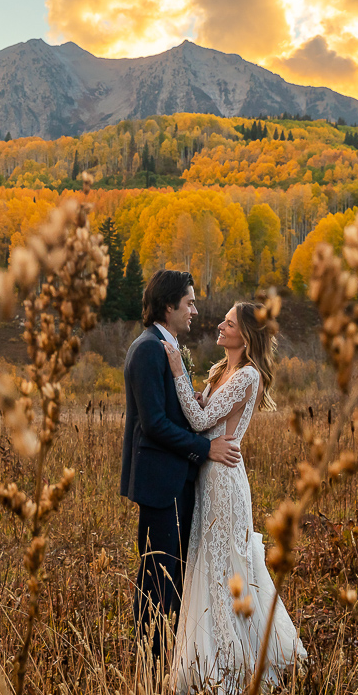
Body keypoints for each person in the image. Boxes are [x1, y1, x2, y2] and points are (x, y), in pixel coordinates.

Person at [163, 301, 307, 693]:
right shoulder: (220, 371)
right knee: (207, 565)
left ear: (245, 335)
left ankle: (228, 669)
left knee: (224, 571)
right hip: (206, 478)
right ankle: (208, 663)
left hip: (225, 483)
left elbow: (198, 419)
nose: (220, 327)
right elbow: (199, 415)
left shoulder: (248, 376)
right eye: (224, 322)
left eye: (228, 323)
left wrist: (178, 371)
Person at [119, 271, 243, 678]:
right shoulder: (148, 351)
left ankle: (169, 663)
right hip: (162, 484)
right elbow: (153, 423)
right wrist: (207, 448)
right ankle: (149, 668)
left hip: (177, 481)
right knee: (159, 580)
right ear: (168, 306)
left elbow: (183, 412)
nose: (194, 310)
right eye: (188, 303)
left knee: (173, 579)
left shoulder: (167, 347)